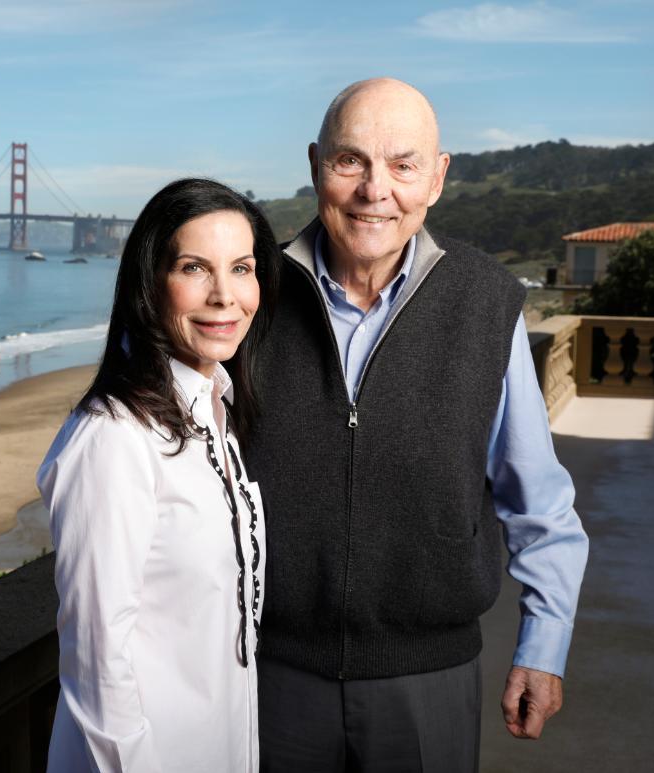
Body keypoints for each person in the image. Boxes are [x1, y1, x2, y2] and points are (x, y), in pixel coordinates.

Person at [245, 78, 590, 771]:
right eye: (351, 161)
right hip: (265, 677)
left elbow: (541, 504)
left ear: (437, 178)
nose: (377, 190)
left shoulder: (486, 302)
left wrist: (542, 646)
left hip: (428, 679)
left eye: (403, 165)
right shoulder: (250, 298)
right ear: (316, 165)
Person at [38, 178, 282, 772]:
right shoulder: (114, 438)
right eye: (195, 268)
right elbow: (97, 663)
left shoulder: (215, 411)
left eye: (242, 268)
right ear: (150, 283)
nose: (225, 296)